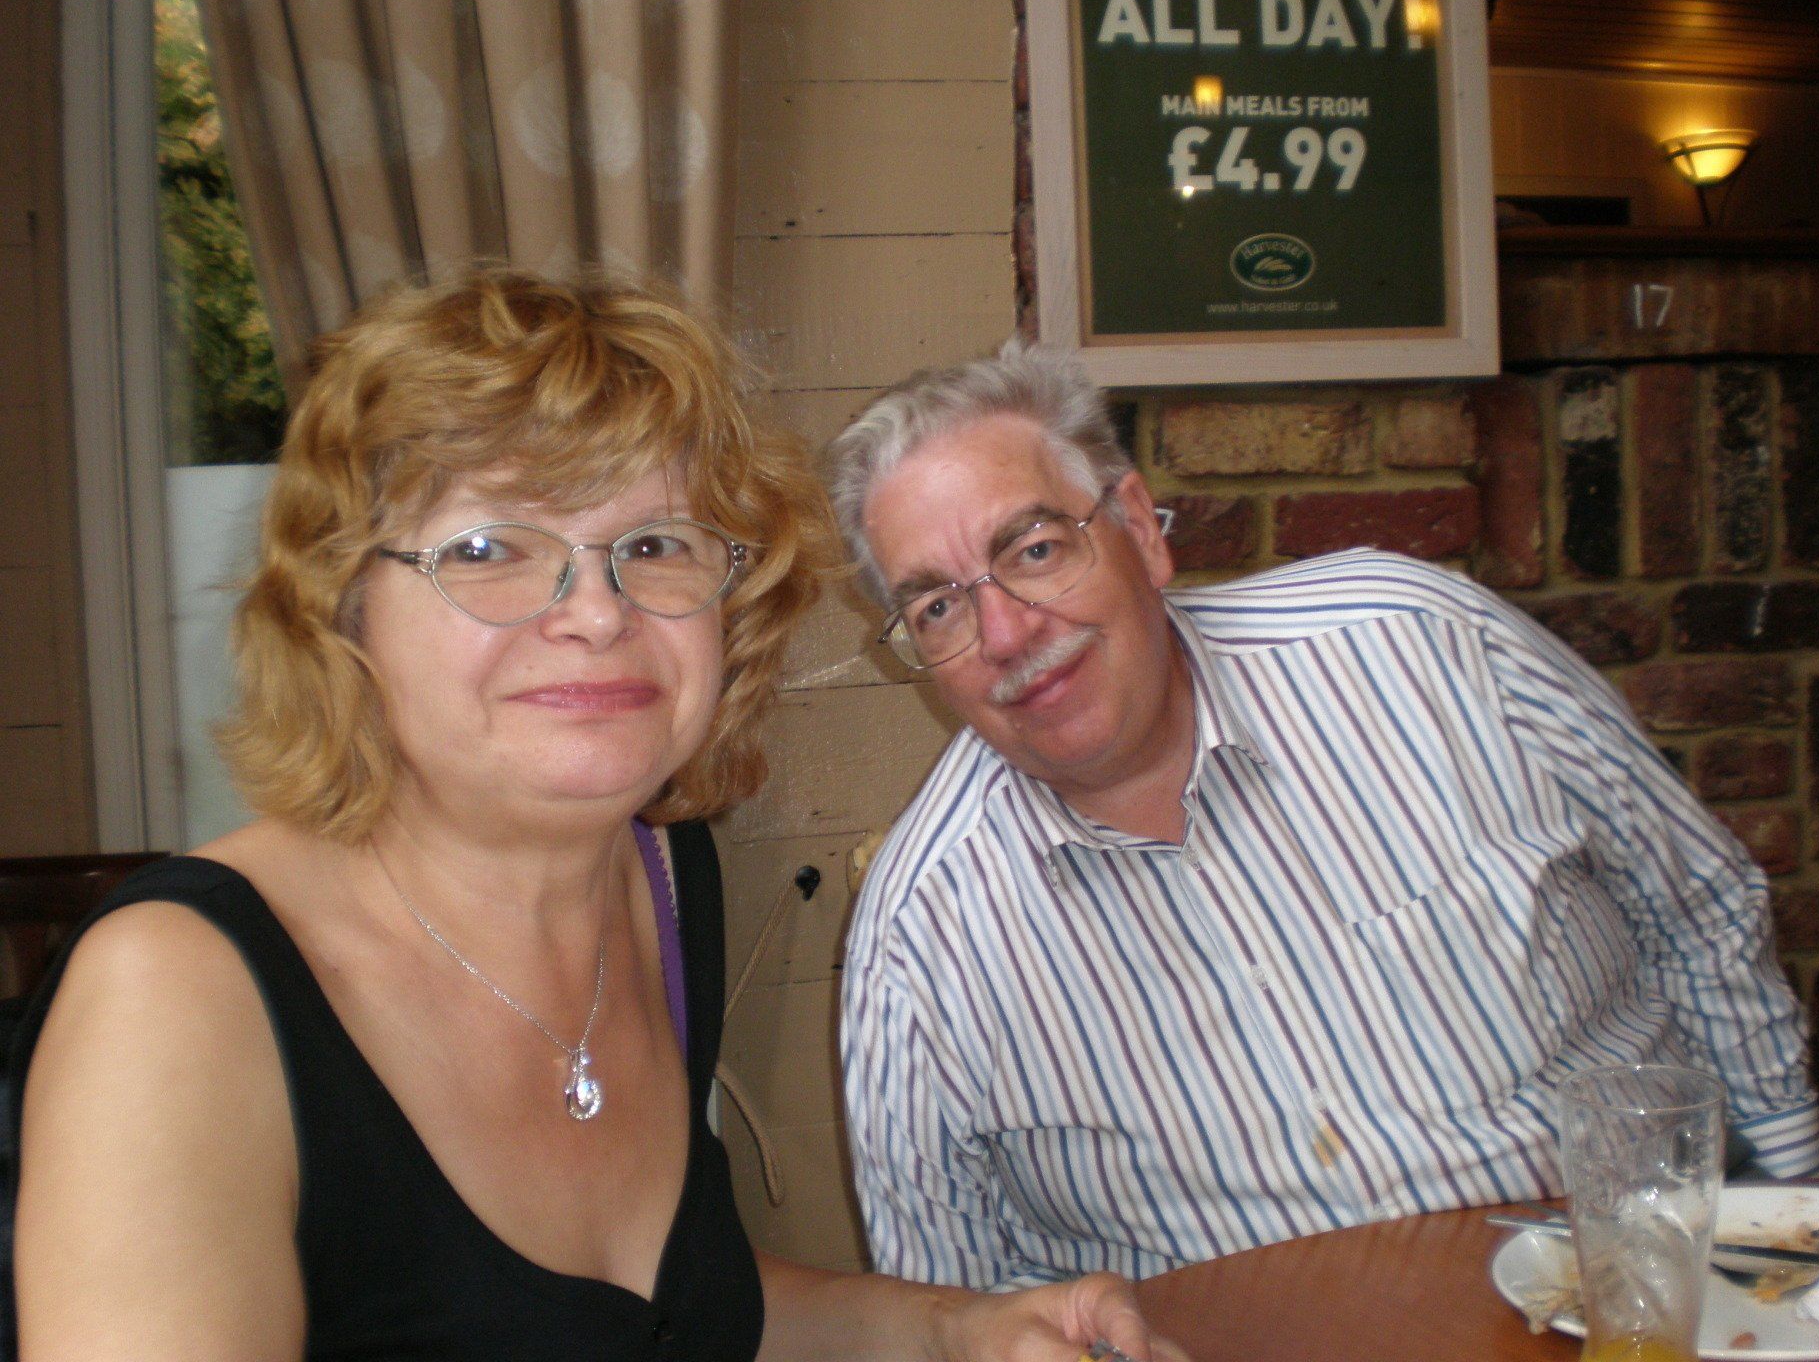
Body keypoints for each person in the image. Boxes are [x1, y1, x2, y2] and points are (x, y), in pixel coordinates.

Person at [7, 273, 1179, 1362]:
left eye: (654, 547)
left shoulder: (662, 878)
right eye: (489, 549)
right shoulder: (176, 996)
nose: (595, 612)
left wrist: (954, 1333)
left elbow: (686, 1312)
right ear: (343, 607)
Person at [826, 343, 1819, 1290]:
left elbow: (1697, 904)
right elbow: (946, 1307)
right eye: (940, 610)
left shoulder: (1427, 647)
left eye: (1035, 549)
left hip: (1611, 1311)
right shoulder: (923, 939)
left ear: (1136, 526)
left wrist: (1794, 1234)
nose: (1006, 633)